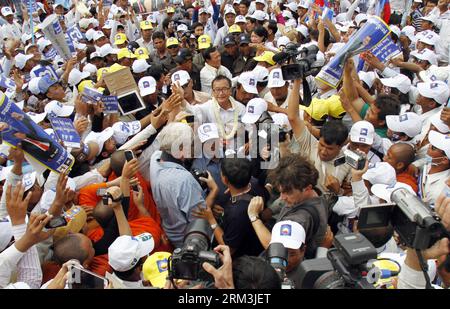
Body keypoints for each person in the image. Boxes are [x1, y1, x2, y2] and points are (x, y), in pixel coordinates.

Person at [149, 122, 219, 248]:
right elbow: (199, 217)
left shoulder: (155, 158)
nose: (194, 147)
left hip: (171, 232)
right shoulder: (184, 180)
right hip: (191, 241)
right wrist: (213, 191)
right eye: (191, 144)